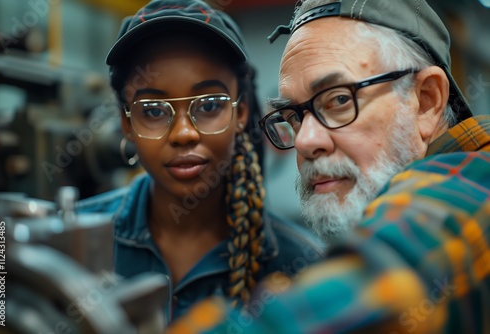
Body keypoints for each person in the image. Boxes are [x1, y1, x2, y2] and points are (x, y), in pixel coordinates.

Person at [166, 0, 490, 333]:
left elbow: (390, 279)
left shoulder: (475, 186)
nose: (305, 141)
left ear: (425, 101)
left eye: (338, 100)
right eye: (293, 116)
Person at [77, 0, 325, 324]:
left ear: (242, 112)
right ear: (127, 125)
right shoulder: (72, 242)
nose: (183, 133)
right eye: (153, 110)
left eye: (209, 105)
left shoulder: (301, 267)